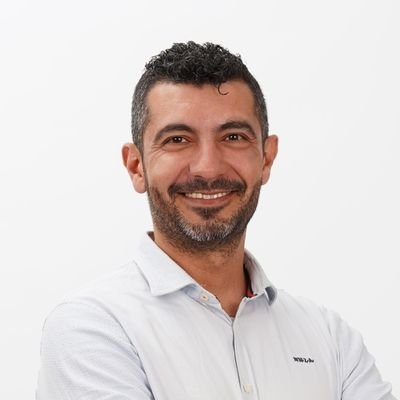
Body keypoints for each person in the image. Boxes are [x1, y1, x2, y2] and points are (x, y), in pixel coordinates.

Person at [36, 41, 396, 400]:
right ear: (136, 166)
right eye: (178, 139)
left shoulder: (332, 339)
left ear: (266, 158)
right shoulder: (92, 328)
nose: (208, 168)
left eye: (233, 137)